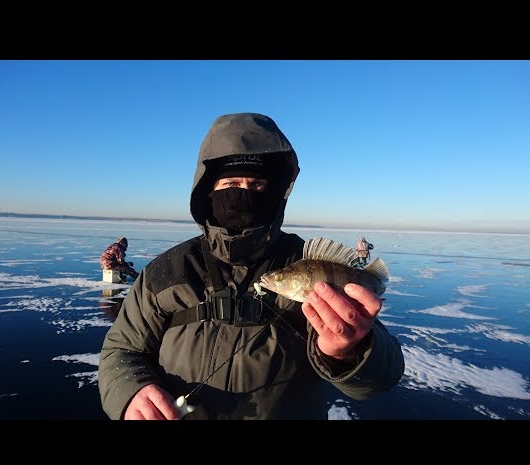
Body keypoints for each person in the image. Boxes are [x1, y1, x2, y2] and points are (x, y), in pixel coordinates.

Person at [98, 112, 404, 420]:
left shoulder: (302, 262)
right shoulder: (168, 270)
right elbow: (121, 350)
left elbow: (383, 375)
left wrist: (351, 351)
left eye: (257, 185)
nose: (243, 194)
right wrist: (131, 391)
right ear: (208, 191)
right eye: (230, 182)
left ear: (277, 193)